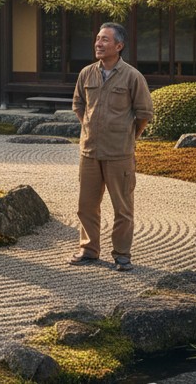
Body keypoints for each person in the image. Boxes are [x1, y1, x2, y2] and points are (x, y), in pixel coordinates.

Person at [69, 22, 153, 272]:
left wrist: (128, 137)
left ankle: (122, 254)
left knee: (123, 208)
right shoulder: (86, 73)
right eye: (97, 39)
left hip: (119, 154)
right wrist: (89, 129)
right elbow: (78, 104)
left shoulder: (132, 76)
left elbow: (144, 113)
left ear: (119, 46)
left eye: (105, 40)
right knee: (86, 205)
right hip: (89, 152)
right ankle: (88, 249)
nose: (98, 43)